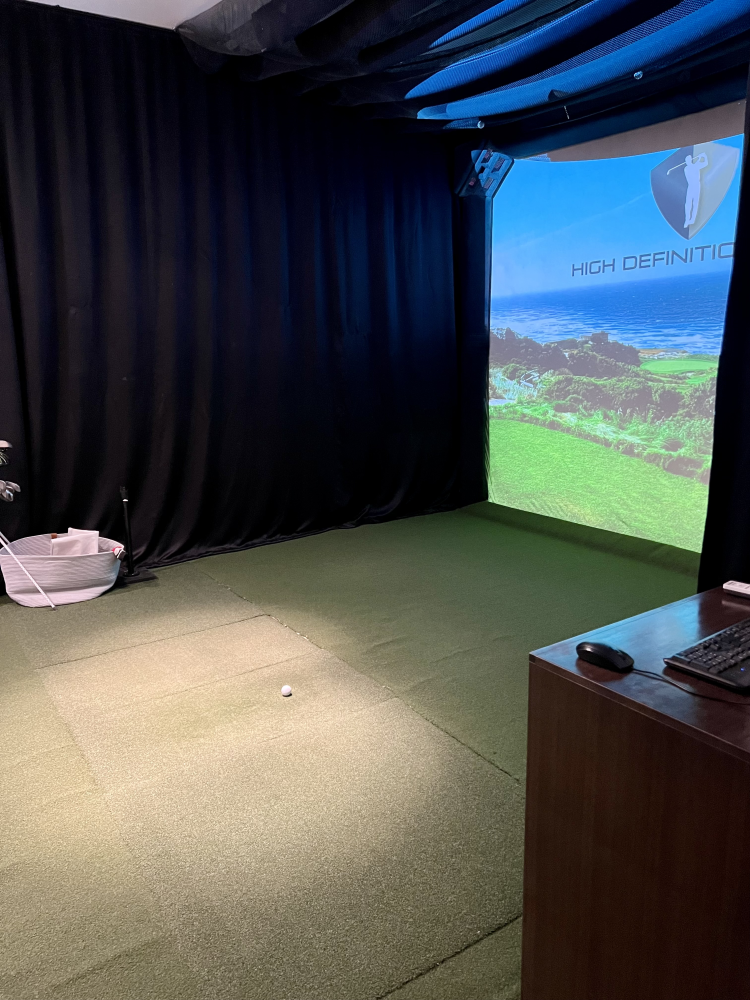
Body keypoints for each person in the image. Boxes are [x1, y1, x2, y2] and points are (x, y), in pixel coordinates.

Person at [668, 151, 708, 229]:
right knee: (688, 204)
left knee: (695, 203)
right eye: (687, 160)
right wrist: (701, 157)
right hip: (691, 186)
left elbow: (705, 163)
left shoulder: (695, 165)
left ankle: (692, 219)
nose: (688, 161)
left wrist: (704, 157)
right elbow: (695, 166)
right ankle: (687, 220)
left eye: (689, 160)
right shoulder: (687, 168)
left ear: (691, 160)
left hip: (697, 186)